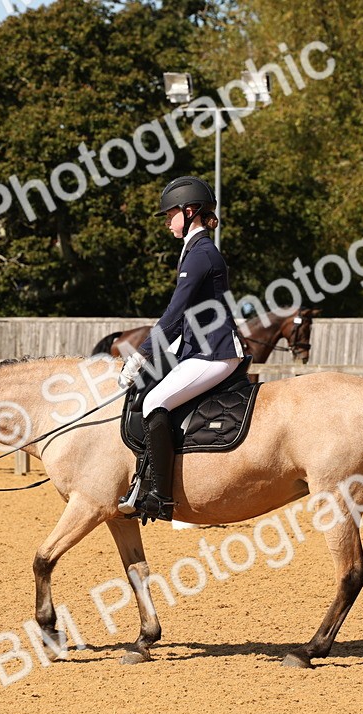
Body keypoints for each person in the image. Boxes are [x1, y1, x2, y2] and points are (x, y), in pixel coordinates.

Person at [116, 176, 244, 521]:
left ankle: (161, 496)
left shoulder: (202, 253)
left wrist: (141, 354)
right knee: (151, 393)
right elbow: (187, 316)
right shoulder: (194, 250)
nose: (167, 220)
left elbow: (175, 312)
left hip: (214, 352)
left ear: (190, 212)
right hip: (197, 348)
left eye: (171, 213)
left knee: (156, 401)